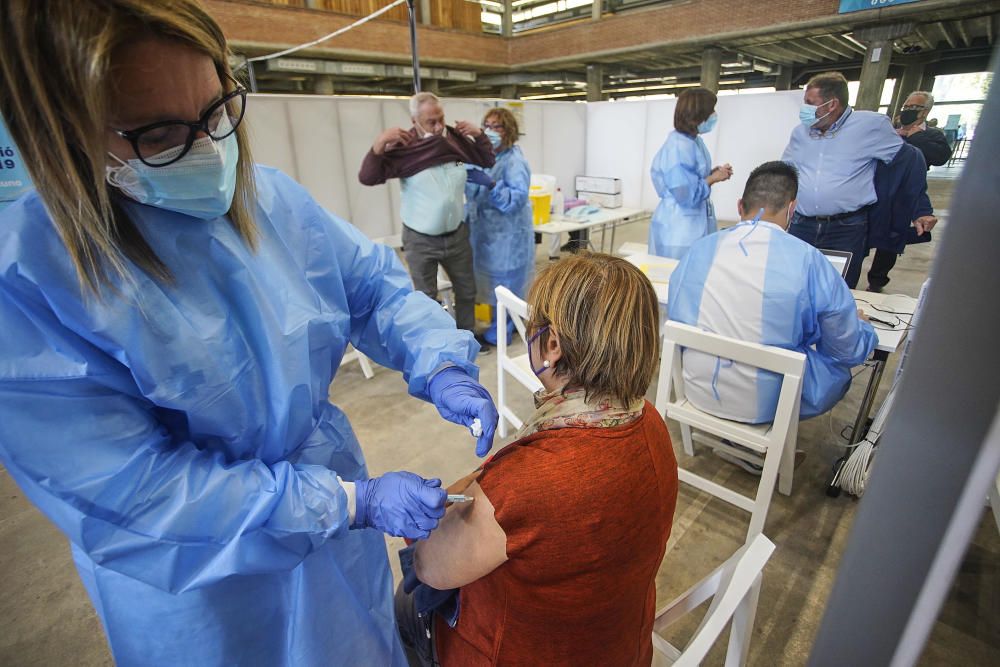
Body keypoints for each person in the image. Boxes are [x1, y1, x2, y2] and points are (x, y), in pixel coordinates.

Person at [0, 2, 500, 666]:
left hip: (332, 540)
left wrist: (439, 362)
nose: (208, 148)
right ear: (68, 135)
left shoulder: (270, 200)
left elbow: (372, 287)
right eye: (159, 136)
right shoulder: (33, 285)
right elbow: (144, 496)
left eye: (217, 113)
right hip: (207, 592)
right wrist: (349, 501)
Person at [393, 253, 678, 667]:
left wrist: (469, 489)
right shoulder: (649, 422)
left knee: (405, 604)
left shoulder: (531, 483)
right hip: (621, 648)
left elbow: (430, 565)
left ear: (552, 345)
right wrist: (488, 480)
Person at [668, 162, 877, 445]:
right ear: (793, 209)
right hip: (765, 407)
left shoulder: (698, 250)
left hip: (696, 391)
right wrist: (863, 329)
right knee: (834, 360)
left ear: (740, 205)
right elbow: (847, 349)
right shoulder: (808, 259)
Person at [359, 92, 494, 334]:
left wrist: (478, 134)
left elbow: (486, 159)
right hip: (420, 240)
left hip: (456, 235)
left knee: (466, 290)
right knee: (426, 298)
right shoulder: (405, 146)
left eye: (441, 118)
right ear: (415, 121)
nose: (439, 126)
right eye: (431, 121)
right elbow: (368, 177)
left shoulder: (454, 139)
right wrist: (379, 144)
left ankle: (467, 337)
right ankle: (436, 346)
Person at [781, 72, 903, 288]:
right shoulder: (800, 133)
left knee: (838, 289)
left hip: (846, 228)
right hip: (802, 224)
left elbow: (905, 164)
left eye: (810, 103)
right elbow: (786, 170)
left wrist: (919, 207)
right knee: (795, 284)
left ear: (832, 104)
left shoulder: (871, 126)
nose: (805, 109)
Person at [867, 90, 949, 292]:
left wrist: (916, 137)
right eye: (907, 106)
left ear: (926, 111)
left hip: (904, 197)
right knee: (862, 236)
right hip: (877, 192)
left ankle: (876, 282)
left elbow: (939, 156)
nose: (909, 110)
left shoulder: (931, 135)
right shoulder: (889, 131)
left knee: (891, 241)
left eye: (915, 107)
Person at [465, 108, 533, 346]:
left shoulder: (514, 161)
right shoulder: (486, 157)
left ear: (509, 131)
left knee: (506, 284)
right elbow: (472, 192)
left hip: (507, 235)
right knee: (489, 283)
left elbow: (515, 200)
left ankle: (501, 332)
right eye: (487, 125)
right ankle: (500, 324)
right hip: (485, 232)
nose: (490, 131)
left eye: (497, 127)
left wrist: (492, 185)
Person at [648, 87, 732, 259]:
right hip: (679, 228)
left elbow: (690, 177)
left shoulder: (692, 141)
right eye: (711, 111)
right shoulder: (679, 147)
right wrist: (712, 179)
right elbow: (684, 193)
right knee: (676, 275)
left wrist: (711, 174)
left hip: (689, 222)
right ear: (697, 115)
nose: (714, 115)